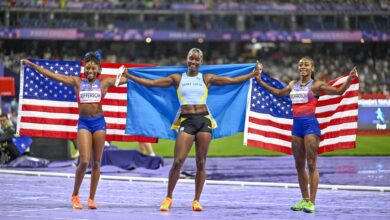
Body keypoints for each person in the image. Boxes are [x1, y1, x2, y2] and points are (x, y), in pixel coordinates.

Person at [125, 48, 259, 211]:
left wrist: (252, 74)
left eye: (197, 60)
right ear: (186, 59)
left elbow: (231, 81)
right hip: (187, 121)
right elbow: (152, 84)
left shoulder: (206, 78)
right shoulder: (177, 78)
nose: (193, 62)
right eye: (191, 59)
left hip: (204, 121)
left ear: (201, 62)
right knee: (178, 161)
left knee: (201, 163)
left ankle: (196, 200)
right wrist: (130, 76)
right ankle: (168, 198)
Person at [22, 51, 128, 210]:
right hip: (84, 124)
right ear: (84, 69)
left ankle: (92, 198)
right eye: (87, 68)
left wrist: (127, 73)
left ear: (98, 70)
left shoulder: (104, 83)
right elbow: (52, 75)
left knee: (97, 163)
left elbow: (126, 80)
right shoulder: (77, 82)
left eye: (93, 68)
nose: (90, 71)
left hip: (99, 124)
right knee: (84, 161)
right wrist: (32, 65)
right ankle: (75, 194)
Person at [255, 57, 357, 213]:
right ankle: (304, 199)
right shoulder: (292, 85)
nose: (303, 67)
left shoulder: (317, 85)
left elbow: (339, 92)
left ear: (312, 68)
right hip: (296, 127)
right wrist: (260, 81)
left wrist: (349, 79)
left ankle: (312, 203)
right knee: (298, 165)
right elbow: (278, 92)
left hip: (310, 126)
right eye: (300, 64)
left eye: (306, 65)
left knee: (311, 164)